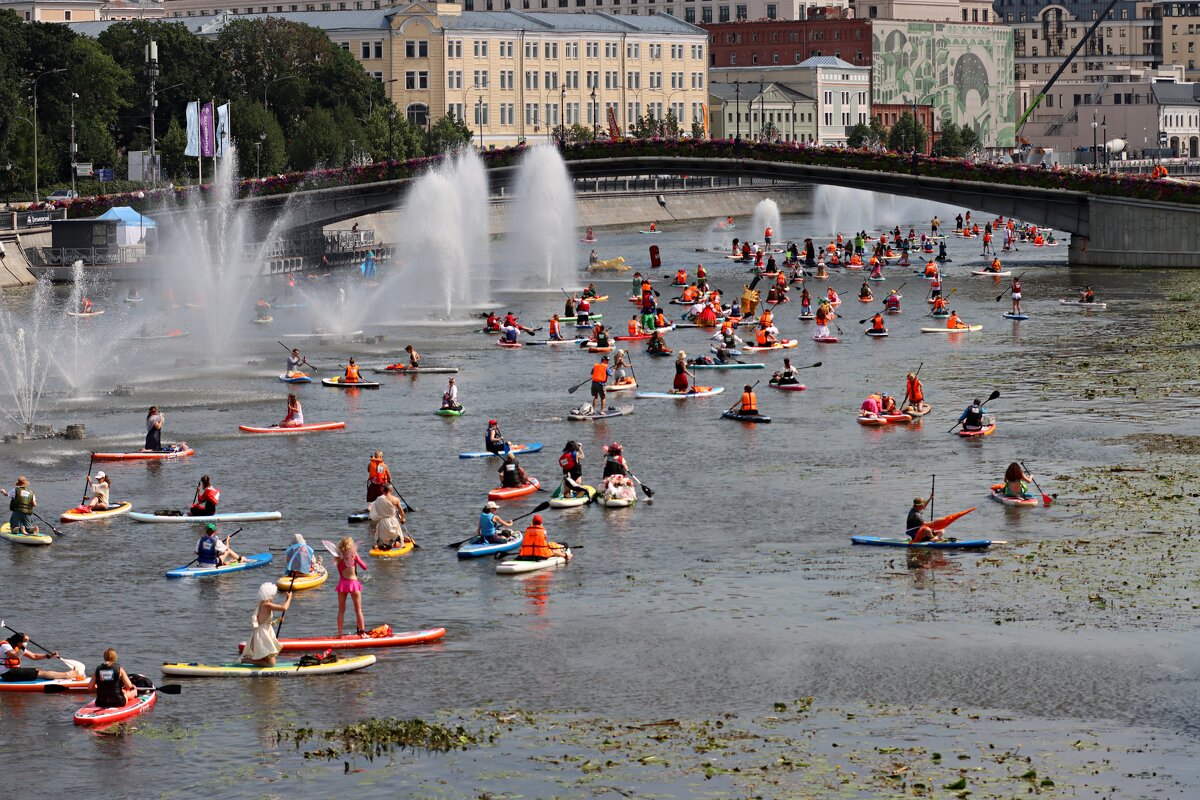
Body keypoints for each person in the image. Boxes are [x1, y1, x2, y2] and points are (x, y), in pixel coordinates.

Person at [242, 583, 292, 667]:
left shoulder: (262, 604)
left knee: (269, 659)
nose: (273, 597)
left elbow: (266, 623)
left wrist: (277, 621)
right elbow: (284, 608)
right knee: (271, 664)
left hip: (263, 633)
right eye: (272, 596)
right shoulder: (267, 605)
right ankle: (248, 660)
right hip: (262, 636)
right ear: (268, 595)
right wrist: (290, 597)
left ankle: (252, 660)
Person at [0, 632, 81, 682]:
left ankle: (64, 675)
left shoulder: (17, 646)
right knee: (38, 672)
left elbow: (34, 656)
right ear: (18, 642)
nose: (23, 645)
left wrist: (48, 656)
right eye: (22, 643)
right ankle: (67, 675)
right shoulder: (5, 645)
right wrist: (24, 643)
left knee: (40, 671)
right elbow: (16, 657)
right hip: (8, 674)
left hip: (14, 672)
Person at [335, 537, 368, 638]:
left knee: (341, 610)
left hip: (342, 584)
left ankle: (339, 634)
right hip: (353, 584)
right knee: (358, 610)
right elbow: (364, 567)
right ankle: (362, 633)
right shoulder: (353, 555)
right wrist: (356, 558)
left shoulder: (338, 556)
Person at [369, 484, 407, 550]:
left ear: (382, 490)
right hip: (393, 522)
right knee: (398, 539)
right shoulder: (396, 499)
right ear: (391, 490)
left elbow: (372, 510)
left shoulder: (378, 499)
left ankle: (381, 543)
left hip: (382, 523)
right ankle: (393, 543)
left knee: (382, 537)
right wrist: (402, 519)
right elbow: (402, 512)